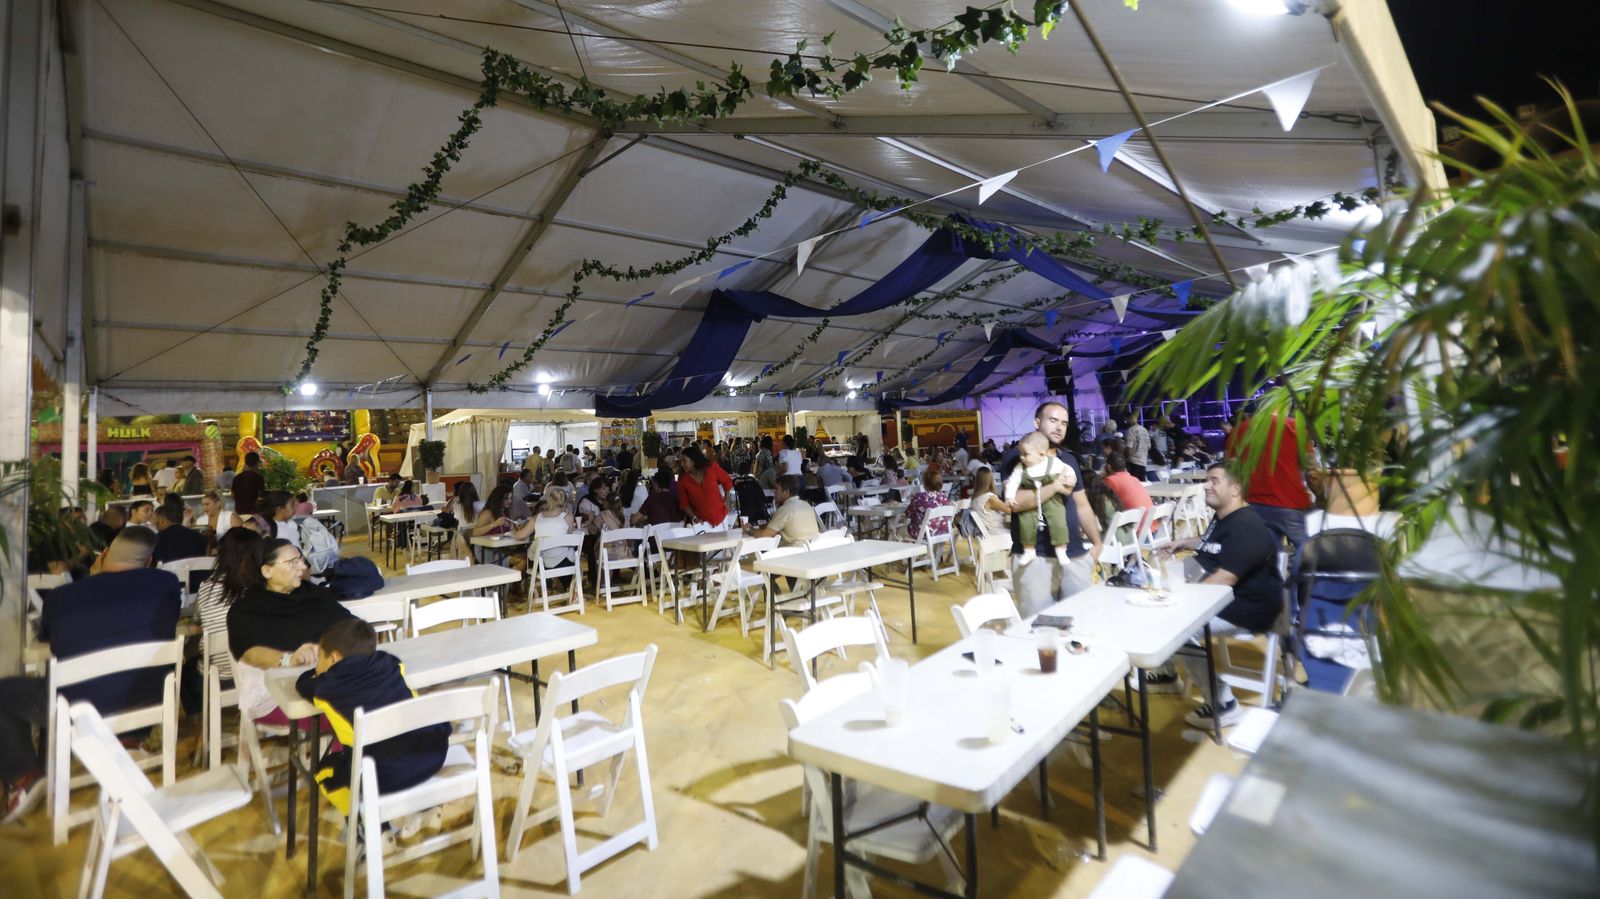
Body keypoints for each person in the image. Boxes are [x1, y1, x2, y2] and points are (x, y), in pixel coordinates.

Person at [0, 529, 181, 822]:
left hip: (76, 709)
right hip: (147, 699)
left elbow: (49, 641)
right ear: (150, 561)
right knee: (128, 677)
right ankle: (129, 739)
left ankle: (24, 776)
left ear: (105, 553)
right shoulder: (167, 583)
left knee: (5, 693)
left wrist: (93, 577)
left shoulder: (63, 596)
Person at [1156, 463, 1286, 728]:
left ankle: (1224, 704)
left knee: (1175, 628)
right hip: (1227, 601)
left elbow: (1225, 577)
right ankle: (1167, 676)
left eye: (1214, 481)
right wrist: (1183, 542)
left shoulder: (1247, 527)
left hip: (1249, 611)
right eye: (1206, 481)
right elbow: (1210, 543)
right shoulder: (1225, 518)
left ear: (1235, 489)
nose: (1206, 486)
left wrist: (1180, 597)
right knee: (1165, 614)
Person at [294, 619, 449, 816]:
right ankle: (425, 809)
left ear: (333, 658)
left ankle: (368, 828)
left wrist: (315, 673)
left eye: (320, 660)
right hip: (432, 754)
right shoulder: (390, 662)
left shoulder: (325, 687)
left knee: (325, 771)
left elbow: (302, 685)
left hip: (386, 775)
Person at [227, 538, 356, 725]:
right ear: (267, 571)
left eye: (301, 560)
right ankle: (347, 753)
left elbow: (347, 623)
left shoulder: (313, 594)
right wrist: (290, 659)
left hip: (330, 679)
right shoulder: (246, 609)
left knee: (380, 698)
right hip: (275, 693)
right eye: (293, 562)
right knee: (352, 713)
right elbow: (251, 653)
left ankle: (351, 752)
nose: (302, 566)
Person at [998, 402, 1104, 617]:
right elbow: (1015, 503)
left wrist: (1097, 543)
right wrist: (1054, 487)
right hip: (1035, 557)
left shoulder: (1069, 459)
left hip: (1074, 555)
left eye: (1064, 423)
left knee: (1079, 620)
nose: (1059, 427)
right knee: (1040, 625)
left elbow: (1082, 503)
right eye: (1053, 420)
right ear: (1037, 422)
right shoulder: (1019, 457)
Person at [1227, 410, 1313, 555]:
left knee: (1270, 559)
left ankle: (1278, 577)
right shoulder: (1295, 427)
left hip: (1253, 503)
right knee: (1310, 555)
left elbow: (1231, 469)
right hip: (1291, 502)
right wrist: (1319, 496)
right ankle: (1303, 578)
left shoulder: (1239, 431)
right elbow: (1311, 470)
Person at [193, 530, 261, 711]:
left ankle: (203, 724)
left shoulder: (206, 586)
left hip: (220, 678)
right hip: (261, 673)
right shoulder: (265, 586)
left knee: (188, 668)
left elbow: (197, 620)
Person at [1002, 431, 1077, 565]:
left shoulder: (1054, 463)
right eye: (1021, 454)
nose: (1022, 457)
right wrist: (1009, 496)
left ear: (1042, 455)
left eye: (1026, 454)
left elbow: (1069, 471)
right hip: (1031, 502)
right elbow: (1013, 481)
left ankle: (1061, 549)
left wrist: (1071, 479)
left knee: (1058, 521)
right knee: (1025, 522)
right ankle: (1029, 550)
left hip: (1053, 500)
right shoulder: (1021, 467)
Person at [747, 475, 820, 547]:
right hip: (812, 547)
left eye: (776, 489)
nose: (774, 491)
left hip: (793, 551)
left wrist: (749, 529)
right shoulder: (806, 505)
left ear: (786, 492)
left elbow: (764, 536)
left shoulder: (785, 509)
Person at [677, 445, 733, 526]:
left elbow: (727, 481)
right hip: (701, 523)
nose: (682, 464)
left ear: (693, 461)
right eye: (681, 461)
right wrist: (694, 518)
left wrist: (727, 501)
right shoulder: (683, 479)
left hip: (722, 517)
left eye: (684, 461)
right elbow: (684, 503)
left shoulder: (712, 468)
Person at [1102, 452, 1154, 532]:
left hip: (1135, 530)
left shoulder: (1110, 480)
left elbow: (1102, 503)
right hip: (1150, 527)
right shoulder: (1134, 479)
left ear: (1108, 467)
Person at [905, 468, 954, 540]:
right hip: (941, 531)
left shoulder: (919, 497)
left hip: (923, 533)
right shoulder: (944, 498)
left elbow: (908, 514)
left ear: (925, 484)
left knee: (899, 530)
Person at [968, 466, 1010, 537]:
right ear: (991, 480)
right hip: (997, 533)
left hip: (986, 533)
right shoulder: (989, 498)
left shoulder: (974, 499)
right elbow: (1010, 510)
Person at [231, 452, 265, 516]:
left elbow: (232, 494)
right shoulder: (259, 478)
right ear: (257, 463)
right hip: (253, 513)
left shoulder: (237, 477)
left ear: (245, 462)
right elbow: (260, 497)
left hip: (239, 512)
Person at [1124, 412, 1152, 481]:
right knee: (1142, 484)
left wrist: (1126, 459)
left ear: (1129, 419)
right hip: (1143, 462)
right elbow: (1149, 447)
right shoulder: (1145, 430)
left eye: (1126, 420)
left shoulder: (1131, 430)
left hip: (1134, 462)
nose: (1126, 422)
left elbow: (1129, 448)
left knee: (1134, 483)